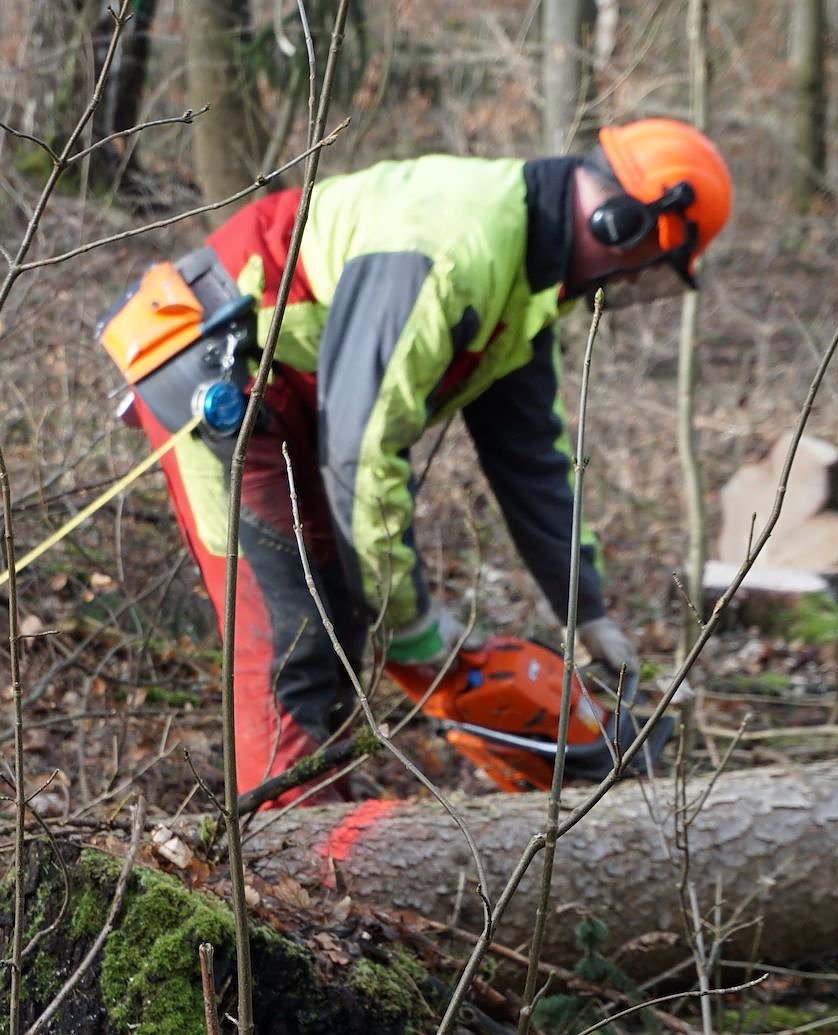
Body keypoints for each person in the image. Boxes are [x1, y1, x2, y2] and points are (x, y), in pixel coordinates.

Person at [96, 117, 733, 805]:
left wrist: (584, 605)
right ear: (622, 224)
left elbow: (530, 457)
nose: (631, 283)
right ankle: (286, 847)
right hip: (218, 368)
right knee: (295, 634)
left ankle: (324, 819)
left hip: (298, 390)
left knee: (339, 617)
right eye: (645, 267)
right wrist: (412, 622)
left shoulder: (524, 281)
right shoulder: (453, 256)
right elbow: (363, 453)